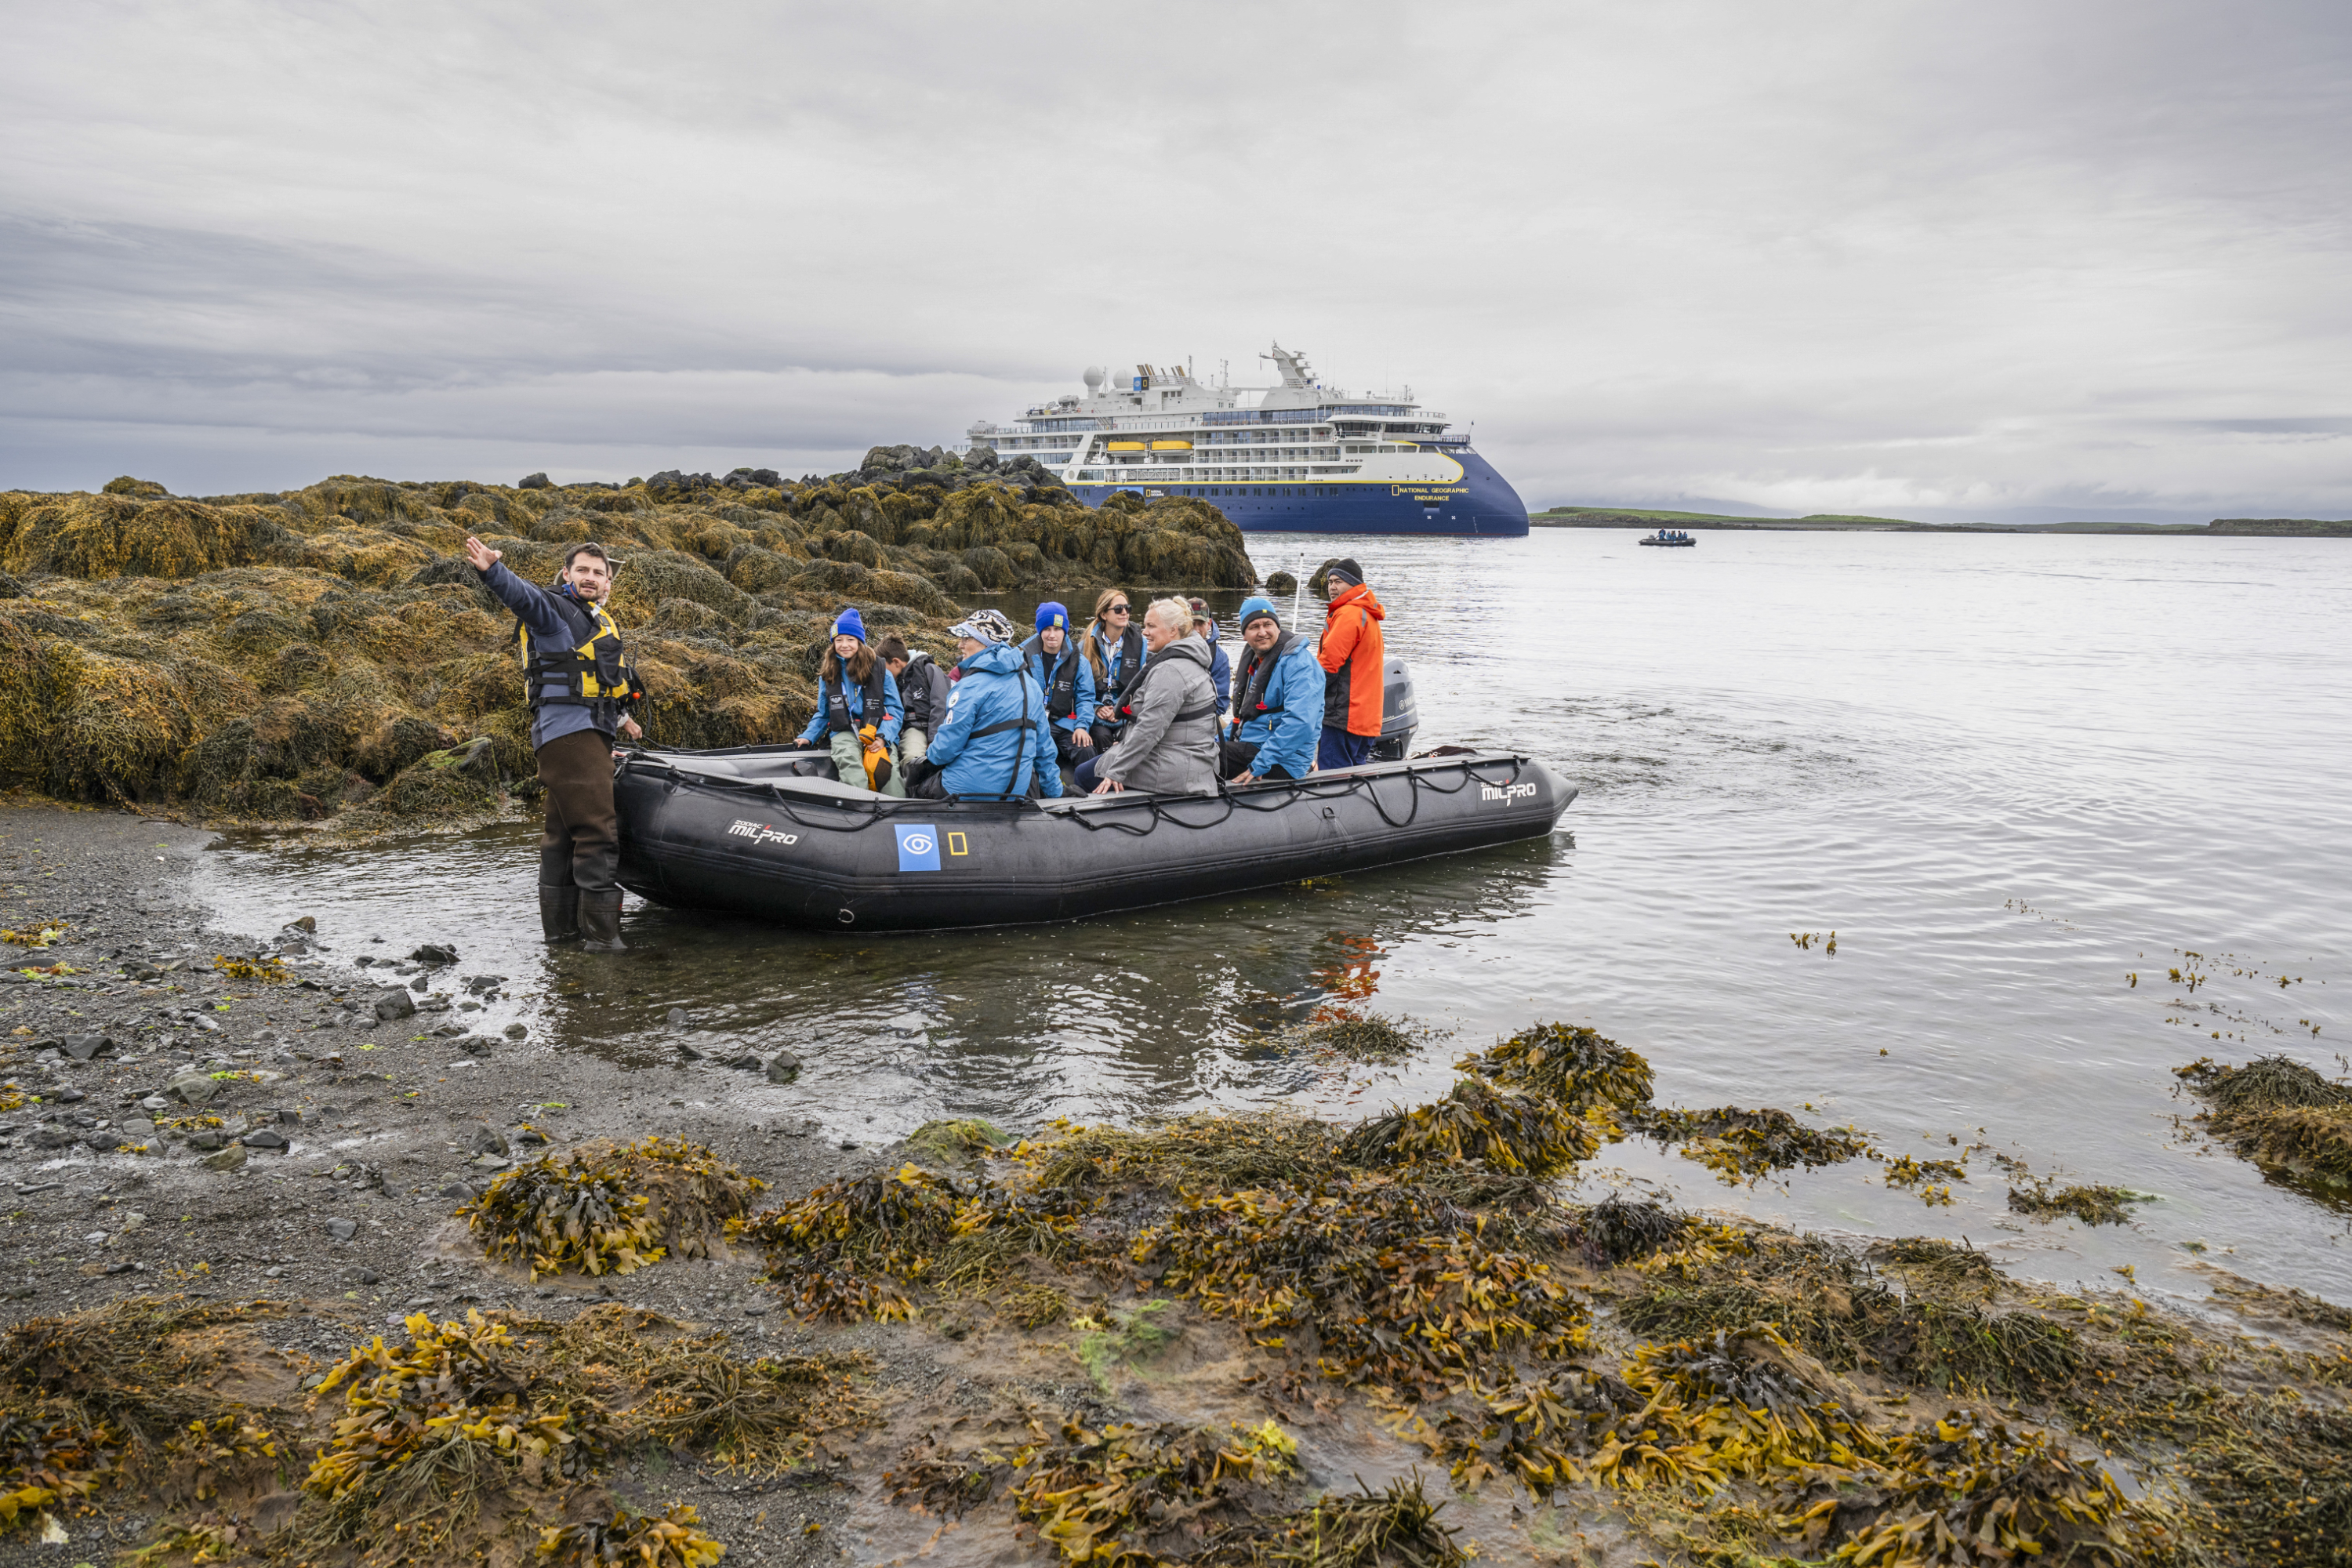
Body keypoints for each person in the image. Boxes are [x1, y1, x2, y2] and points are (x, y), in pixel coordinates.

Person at [463, 535, 644, 949]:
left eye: (599, 573)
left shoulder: (597, 621)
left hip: (578, 736)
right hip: (570, 735)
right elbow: (524, 598)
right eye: (582, 570)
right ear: (567, 574)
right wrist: (494, 571)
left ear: (608, 584)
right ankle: (603, 941)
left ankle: (561, 938)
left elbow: (603, 682)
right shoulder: (556, 610)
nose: (591, 578)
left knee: (562, 838)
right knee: (598, 833)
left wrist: (625, 720)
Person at [902, 617, 1064, 800]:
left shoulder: (969, 685)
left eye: (966, 639)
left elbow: (945, 750)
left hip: (968, 789)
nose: (960, 645)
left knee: (914, 781)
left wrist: (924, 761)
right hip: (1015, 792)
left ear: (983, 644)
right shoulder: (1032, 686)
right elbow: (1044, 749)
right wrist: (1057, 792)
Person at [1076, 597, 1219, 796]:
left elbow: (1149, 729)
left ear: (1173, 630)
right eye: (1145, 626)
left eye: (1151, 626)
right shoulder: (1186, 658)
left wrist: (1117, 771)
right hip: (1182, 754)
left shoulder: (1171, 671)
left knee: (1083, 775)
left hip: (1178, 764)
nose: (1144, 632)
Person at [795, 608, 906, 796]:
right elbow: (823, 713)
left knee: (888, 775)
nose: (844, 645)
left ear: (860, 642)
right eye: (839, 640)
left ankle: (896, 816)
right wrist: (808, 736)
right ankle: (859, 810)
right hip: (845, 732)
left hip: (876, 732)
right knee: (851, 766)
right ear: (833, 643)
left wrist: (883, 737)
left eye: (850, 640)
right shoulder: (828, 674)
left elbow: (895, 710)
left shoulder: (880, 671)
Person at [1220, 596, 1323, 783]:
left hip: (1284, 760)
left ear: (1277, 627)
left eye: (1267, 624)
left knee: (1202, 757)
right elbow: (1242, 720)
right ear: (1244, 634)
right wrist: (1213, 741)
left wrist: (1262, 762)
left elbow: (1301, 722)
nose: (1262, 632)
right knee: (1200, 748)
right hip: (1254, 746)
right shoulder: (1256, 662)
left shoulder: (1299, 663)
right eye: (1254, 627)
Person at [1316, 557, 1387, 771]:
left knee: (1333, 776)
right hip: (1366, 718)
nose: (1332, 587)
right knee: (1356, 774)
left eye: (1339, 581)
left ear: (1354, 585)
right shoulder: (1368, 615)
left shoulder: (1349, 614)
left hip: (1343, 715)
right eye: (1330, 582)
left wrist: (1300, 690)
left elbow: (1329, 665)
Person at [1019, 601, 1096, 769]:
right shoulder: (1021, 658)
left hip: (1064, 724)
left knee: (1086, 750)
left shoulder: (1080, 662)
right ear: (1040, 631)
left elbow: (1085, 698)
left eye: (1057, 629)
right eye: (1046, 629)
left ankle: (1092, 792)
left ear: (1065, 630)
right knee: (1022, 753)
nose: (1052, 635)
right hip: (1033, 725)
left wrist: (1082, 726)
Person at [1080, 587, 1145, 750]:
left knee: (1132, 737)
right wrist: (1096, 708)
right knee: (1101, 736)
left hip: (1126, 713)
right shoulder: (1084, 647)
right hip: (1097, 714)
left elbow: (1144, 686)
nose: (1124, 612)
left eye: (1127, 608)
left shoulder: (1141, 644)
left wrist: (1120, 708)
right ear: (1104, 615)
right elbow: (1078, 688)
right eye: (1118, 609)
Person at [878, 633, 949, 772]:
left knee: (912, 758)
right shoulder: (891, 681)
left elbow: (941, 704)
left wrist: (933, 740)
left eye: (884, 669)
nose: (882, 674)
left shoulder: (929, 670)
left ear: (896, 662)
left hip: (922, 729)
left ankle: (916, 791)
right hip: (897, 730)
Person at [1189, 597, 1232, 720]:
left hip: (1204, 719)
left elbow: (1221, 702)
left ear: (1209, 624)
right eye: (1192, 624)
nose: (1196, 630)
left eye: (1200, 624)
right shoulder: (1168, 648)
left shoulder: (1219, 657)